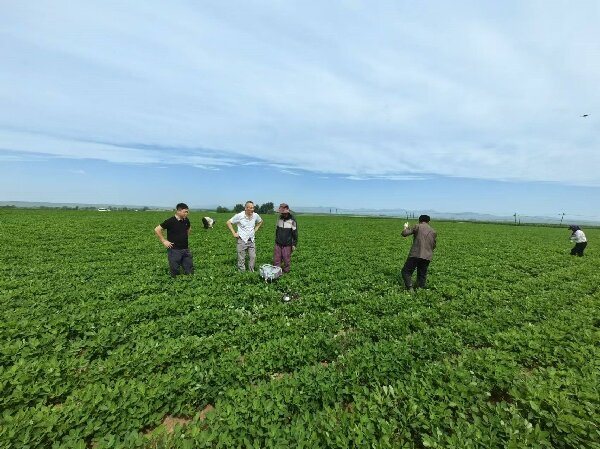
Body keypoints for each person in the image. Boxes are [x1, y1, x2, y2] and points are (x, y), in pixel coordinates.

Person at [154, 203, 193, 277]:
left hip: (185, 249)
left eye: (187, 211)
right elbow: (157, 229)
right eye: (185, 211)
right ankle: (175, 283)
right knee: (175, 271)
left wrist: (184, 236)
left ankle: (189, 280)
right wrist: (164, 241)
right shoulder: (171, 221)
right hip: (174, 250)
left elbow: (189, 228)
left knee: (189, 270)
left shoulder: (186, 220)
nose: (187, 213)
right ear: (178, 211)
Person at [401, 214, 437, 290]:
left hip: (415, 254)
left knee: (406, 272)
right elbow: (434, 245)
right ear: (429, 221)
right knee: (422, 274)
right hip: (427, 256)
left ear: (419, 220)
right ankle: (420, 290)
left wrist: (405, 227)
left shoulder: (417, 226)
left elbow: (404, 234)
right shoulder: (433, 231)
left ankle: (410, 288)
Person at [226, 201, 263, 271]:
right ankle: (242, 273)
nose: (252, 209)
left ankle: (251, 271)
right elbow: (228, 222)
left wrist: (256, 228)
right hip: (242, 240)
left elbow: (260, 221)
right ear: (246, 208)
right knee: (241, 258)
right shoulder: (240, 216)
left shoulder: (255, 215)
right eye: (250, 208)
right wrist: (234, 233)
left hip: (251, 240)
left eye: (253, 208)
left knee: (253, 257)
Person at [273, 203, 298, 274]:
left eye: (283, 212)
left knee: (286, 259)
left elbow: (295, 233)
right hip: (278, 242)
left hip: (287, 244)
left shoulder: (292, 221)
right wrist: (276, 240)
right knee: (277, 259)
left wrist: (294, 244)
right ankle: (276, 272)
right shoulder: (279, 219)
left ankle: (286, 272)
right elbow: (277, 230)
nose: (282, 214)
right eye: (281, 212)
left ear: (287, 212)